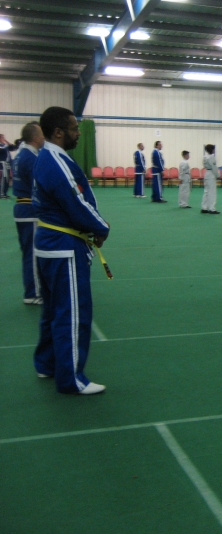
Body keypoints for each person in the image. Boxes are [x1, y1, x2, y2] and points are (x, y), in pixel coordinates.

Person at [33, 106, 110, 394]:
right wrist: (101, 227)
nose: (78, 134)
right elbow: (75, 202)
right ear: (58, 132)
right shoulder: (56, 161)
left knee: (53, 311)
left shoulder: (46, 157)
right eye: (74, 129)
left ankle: (47, 363)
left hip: (49, 245)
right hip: (63, 249)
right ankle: (71, 379)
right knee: (72, 314)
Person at [12, 122, 45, 305]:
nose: (44, 137)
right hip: (29, 209)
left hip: (24, 208)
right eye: (42, 134)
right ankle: (32, 293)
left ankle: (36, 289)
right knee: (32, 254)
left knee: (31, 252)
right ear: (35, 137)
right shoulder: (30, 157)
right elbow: (38, 185)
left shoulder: (22, 154)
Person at [200, 144, 220, 214]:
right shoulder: (211, 157)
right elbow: (214, 167)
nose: (214, 150)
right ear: (212, 150)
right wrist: (217, 175)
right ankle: (212, 208)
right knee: (212, 192)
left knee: (206, 191)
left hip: (207, 173)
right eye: (214, 149)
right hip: (211, 174)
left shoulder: (205, 157)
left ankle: (204, 207)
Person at [0, 133, 19, 199]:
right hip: (2, 165)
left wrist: (6, 141)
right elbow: (3, 148)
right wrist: (5, 144)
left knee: (7, 180)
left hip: (7, 164)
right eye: (2, 138)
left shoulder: (4, 145)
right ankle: (1, 193)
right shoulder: (1, 146)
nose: (3, 139)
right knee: (3, 179)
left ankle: (5, 193)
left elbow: (13, 148)